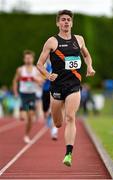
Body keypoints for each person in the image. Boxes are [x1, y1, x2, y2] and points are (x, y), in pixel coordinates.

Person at [37, 10, 95, 166]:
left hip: (74, 85)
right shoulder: (52, 41)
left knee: (70, 117)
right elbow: (39, 64)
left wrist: (89, 67)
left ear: (72, 22)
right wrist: (47, 76)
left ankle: (68, 153)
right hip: (56, 86)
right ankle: (57, 119)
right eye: (63, 20)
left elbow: (87, 55)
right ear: (58, 23)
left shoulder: (79, 39)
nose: (66, 22)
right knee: (57, 123)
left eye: (68, 19)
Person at [13, 50, 42, 143]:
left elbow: (41, 82)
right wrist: (15, 92)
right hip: (23, 95)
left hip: (32, 95)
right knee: (23, 116)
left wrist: (36, 80)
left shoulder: (36, 70)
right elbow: (15, 81)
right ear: (24, 59)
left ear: (33, 59)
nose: (28, 59)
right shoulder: (20, 70)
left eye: (30, 58)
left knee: (30, 117)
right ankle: (21, 111)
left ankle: (26, 135)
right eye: (26, 58)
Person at [42, 60, 58, 140]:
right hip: (45, 90)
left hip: (55, 89)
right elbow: (40, 76)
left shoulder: (58, 62)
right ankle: (48, 121)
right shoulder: (44, 65)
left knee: (53, 109)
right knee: (45, 111)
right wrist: (47, 76)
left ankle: (54, 131)